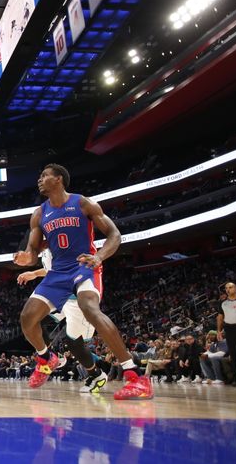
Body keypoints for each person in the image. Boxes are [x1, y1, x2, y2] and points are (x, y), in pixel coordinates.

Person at [13, 164, 152, 400]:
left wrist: (98, 257)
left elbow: (114, 235)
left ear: (58, 179)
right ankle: (46, 358)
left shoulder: (83, 203)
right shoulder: (39, 214)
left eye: (45, 175)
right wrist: (27, 258)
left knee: (90, 309)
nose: (40, 179)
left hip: (83, 266)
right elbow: (33, 250)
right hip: (57, 272)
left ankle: (135, 376)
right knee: (27, 318)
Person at [17, 245, 108, 394]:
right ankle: (51, 357)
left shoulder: (64, 239)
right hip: (60, 295)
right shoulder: (47, 245)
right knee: (33, 319)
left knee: (74, 345)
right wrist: (34, 273)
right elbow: (53, 270)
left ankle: (97, 375)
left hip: (77, 299)